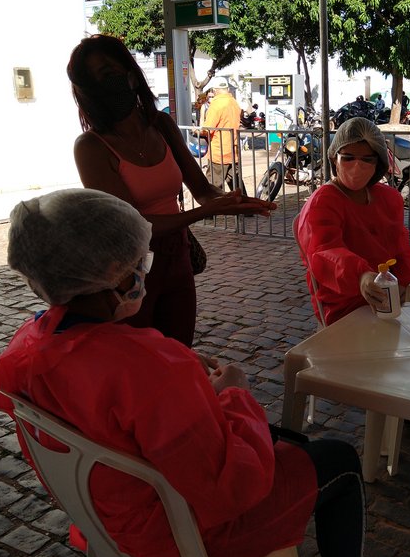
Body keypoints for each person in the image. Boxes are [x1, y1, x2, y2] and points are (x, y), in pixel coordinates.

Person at [0, 188, 400, 557]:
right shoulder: (152, 365)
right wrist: (235, 392)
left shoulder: (25, 349)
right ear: (112, 272)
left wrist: (187, 383)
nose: (145, 270)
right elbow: (233, 490)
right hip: (181, 544)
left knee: (293, 444)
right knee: (339, 459)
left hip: (106, 529)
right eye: (139, 263)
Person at [67, 34, 273, 347]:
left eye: (108, 74)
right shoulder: (92, 148)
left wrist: (233, 200)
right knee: (143, 360)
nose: (103, 87)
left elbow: (203, 190)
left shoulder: (161, 125)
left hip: (177, 259)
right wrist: (208, 210)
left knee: (179, 353)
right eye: (92, 82)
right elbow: (132, 225)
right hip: (131, 271)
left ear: (131, 75)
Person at [295, 117, 410, 326]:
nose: (357, 166)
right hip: (343, 303)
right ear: (334, 158)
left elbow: (401, 248)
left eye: (367, 159)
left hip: (389, 297)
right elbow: (324, 252)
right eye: (348, 157)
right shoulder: (322, 202)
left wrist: (405, 283)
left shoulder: (388, 198)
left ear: (378, 163)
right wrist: (361, 276)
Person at [201, 79, 244, 194]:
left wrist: (197, 132)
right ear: (227, 89)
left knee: (213, 189)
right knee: (238, 187)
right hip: (233, 151)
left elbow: (207, 129)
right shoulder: (234, 103)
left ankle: (217, 212)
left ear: (215, 90)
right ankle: (247, 210)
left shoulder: (216, 105)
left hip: (219, 153)